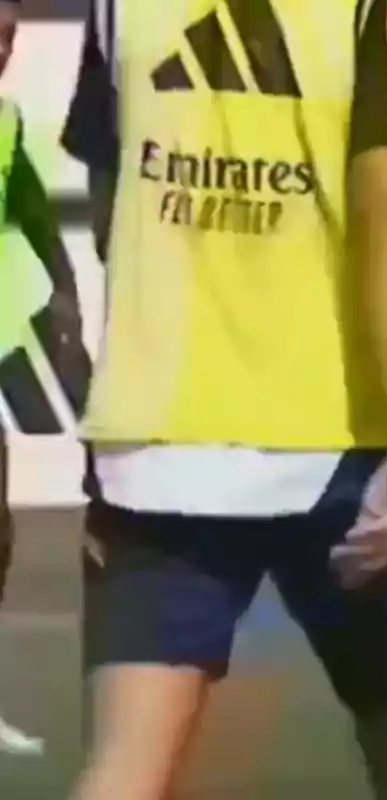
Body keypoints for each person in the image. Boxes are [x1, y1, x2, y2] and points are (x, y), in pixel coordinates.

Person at [60, 1, 387, 798]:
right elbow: (386, 192)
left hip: (159, 442)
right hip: (342, 432)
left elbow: (112, 192)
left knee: (121, 774)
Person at [0, 0, 84, 757]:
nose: (1, 50)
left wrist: (66, 295)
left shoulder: (7, 121)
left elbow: (32, 214)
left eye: (7, 38)